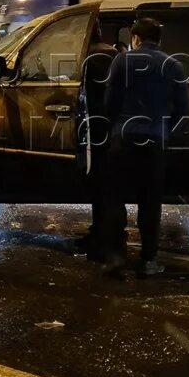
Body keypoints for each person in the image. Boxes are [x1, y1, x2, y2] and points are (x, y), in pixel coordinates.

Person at [103, 16, 188, 278]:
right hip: (154, 141)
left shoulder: (122, 61)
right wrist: (165, 129)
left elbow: (109, 102)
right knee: (150, 202)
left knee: (114, 198)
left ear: (135, 38)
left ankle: (116, 256)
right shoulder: (173, 66)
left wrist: (113, 127)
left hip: (123, 137)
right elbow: (184, 110)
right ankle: (148, 260)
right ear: (159, 40)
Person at [74, 20, 121, 262]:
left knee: (101, 185)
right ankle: (101, 233)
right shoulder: (110, 53)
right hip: (106, 128)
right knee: (102, 185)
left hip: (97, 129)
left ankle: (105, 241)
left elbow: (95, 96)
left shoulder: (95, 56)